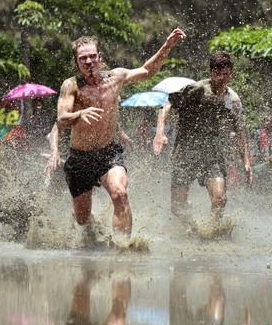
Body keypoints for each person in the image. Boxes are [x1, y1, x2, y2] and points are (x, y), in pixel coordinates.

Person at [56, 28, 185, 239]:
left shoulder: (115, 78)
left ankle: (122, 248)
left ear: (99, 57)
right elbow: (61, 119)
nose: (88, 62)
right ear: (76, 62)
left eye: (92, 57)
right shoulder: (71, 86)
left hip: (108, 153)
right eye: (82, 58)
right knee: (83, 220)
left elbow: (146, 71)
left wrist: (167, 46)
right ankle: (92, 230)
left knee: (120, 193)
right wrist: (79, 114)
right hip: (79, 157)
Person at [153, 51, 253, 233]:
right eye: (217, 74)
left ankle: (210, 235)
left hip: (212, 152)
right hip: (185, 150)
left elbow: (240, 131)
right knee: (177, 208)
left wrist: (246, 162)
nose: (221, 78)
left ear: (231, 73)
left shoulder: (233, 100)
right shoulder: (197, 89)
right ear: (210, 72)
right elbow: (167, 104)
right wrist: (160, 132)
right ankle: (193, 230)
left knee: (220, 200)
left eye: (225, 74)